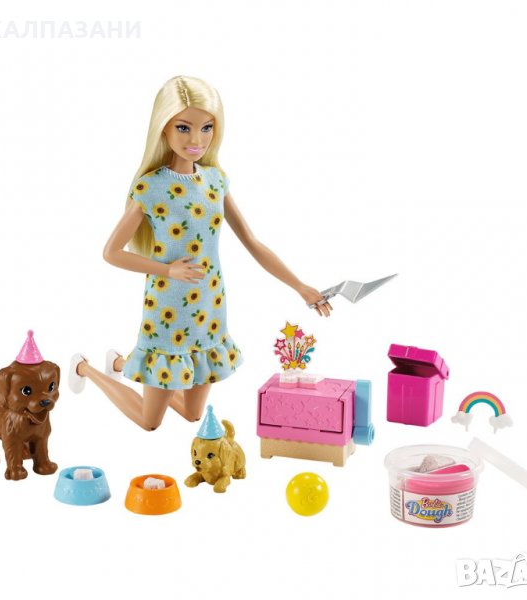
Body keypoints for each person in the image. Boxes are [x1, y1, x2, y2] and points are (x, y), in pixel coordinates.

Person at [69, 75, 332, 431]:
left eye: (206, 128)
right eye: (184, 128)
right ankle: (85, 367)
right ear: (163, 128)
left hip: (209, 308)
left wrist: (300, 287)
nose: (196, 140)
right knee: (150, 421)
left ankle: (120, 362)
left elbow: (252, 242)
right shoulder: (151, 187)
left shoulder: (215, 181)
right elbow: (111, 252)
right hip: (167, 311)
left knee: (193, 414)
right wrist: (167, 270)